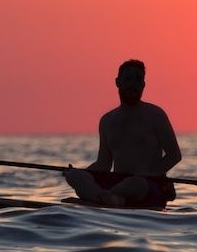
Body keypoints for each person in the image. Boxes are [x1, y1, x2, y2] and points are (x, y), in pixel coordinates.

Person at [65, 60, 182, 208]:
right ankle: (108, 198)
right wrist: (81, 172)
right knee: (74, 176)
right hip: (116, 181)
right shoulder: (107, 121)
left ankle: (100, 198)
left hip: (147, 184)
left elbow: (174, 155)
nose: (132, 84)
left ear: (143, 85)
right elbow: (104, 164)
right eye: (127, 79)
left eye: (137, 79)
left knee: (135, 184)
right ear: (117, 82)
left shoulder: (156, 115)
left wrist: (150, 172)